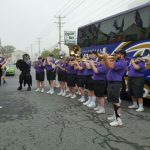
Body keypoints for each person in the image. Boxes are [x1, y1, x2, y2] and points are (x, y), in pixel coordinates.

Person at [103, 50, 127, 127]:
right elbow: (107, 66)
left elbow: (111, 66)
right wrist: (105, 59)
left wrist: (106, 58)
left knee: (116, 101)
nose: (115, 55)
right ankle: (115, 116)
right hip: (111, 83)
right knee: (114, 101)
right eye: (115, 53)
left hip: (115, 83)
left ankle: (119, 119)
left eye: (117, 54)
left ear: (122, 55)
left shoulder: (122, 62)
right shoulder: (116, 61)